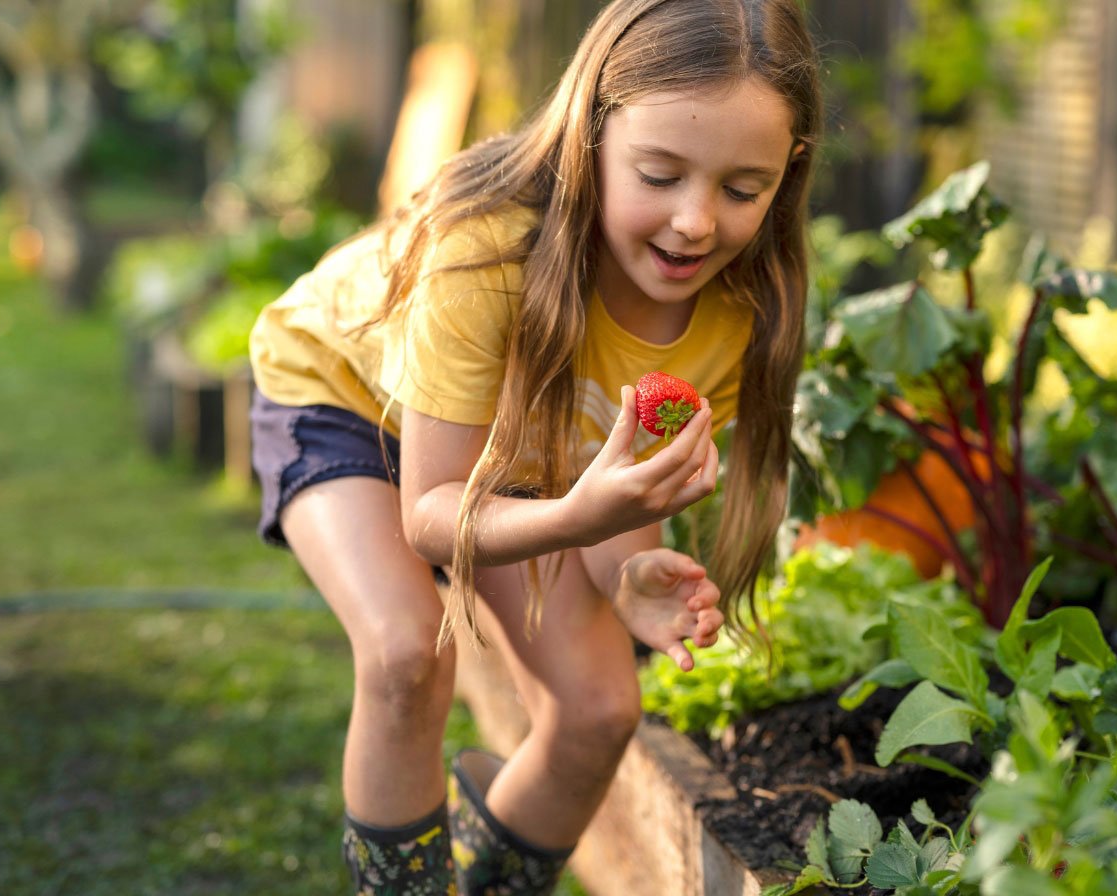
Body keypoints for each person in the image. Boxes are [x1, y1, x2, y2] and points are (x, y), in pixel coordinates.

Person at [247, 0, 822, 892]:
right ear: (590, 134)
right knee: (409, 652)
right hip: (345, 397)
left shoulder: (735, 316)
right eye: (660, 174)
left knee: (599, 710)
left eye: (741, 190)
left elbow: (607, 479)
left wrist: (630, 572)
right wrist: (574, 517)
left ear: (788, 171)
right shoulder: (488, 247)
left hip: (514, 453)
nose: (696, 221)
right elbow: (436, 519)